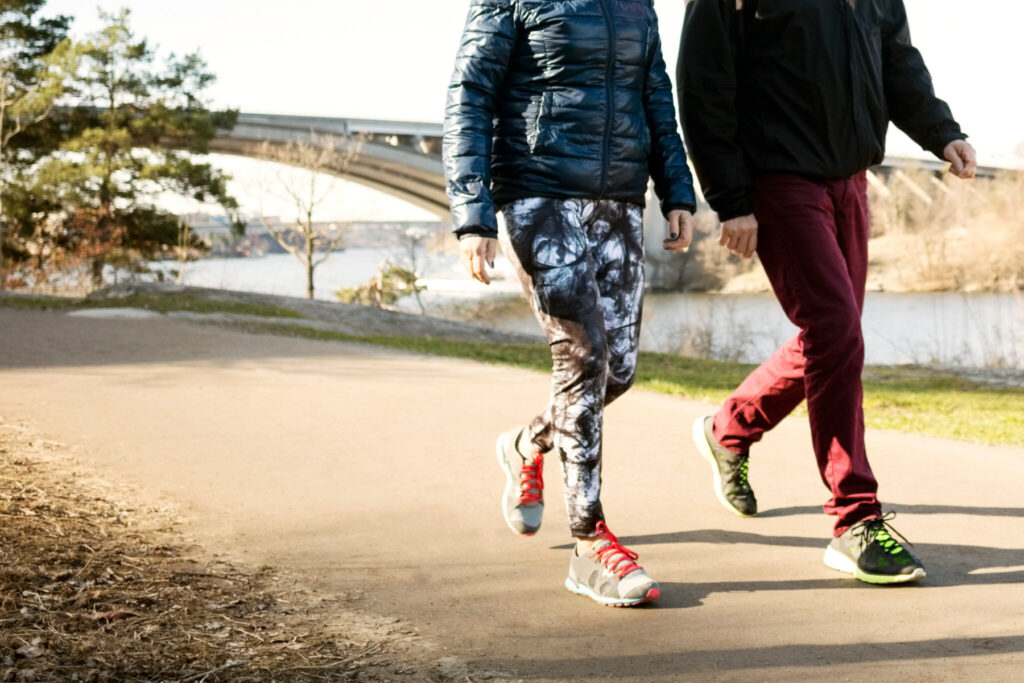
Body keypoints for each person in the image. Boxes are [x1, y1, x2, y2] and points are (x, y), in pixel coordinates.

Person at [677, 0, 977, 584]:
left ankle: (728, 428)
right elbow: (704, 85)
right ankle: (855, 520)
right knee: (835, 332)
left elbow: (897, 63)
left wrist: (942, 132)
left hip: (849, 181)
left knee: (834, 337)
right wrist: (731, 200)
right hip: (779, 179)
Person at [443, 0, 697, 606]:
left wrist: (676, 188)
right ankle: (590, 545)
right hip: (537, 192)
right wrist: (472, 215)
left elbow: (655, 96)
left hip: (619, 199)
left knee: (618, 371)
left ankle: (526, 443)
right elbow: (470, 93)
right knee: (582, 355)